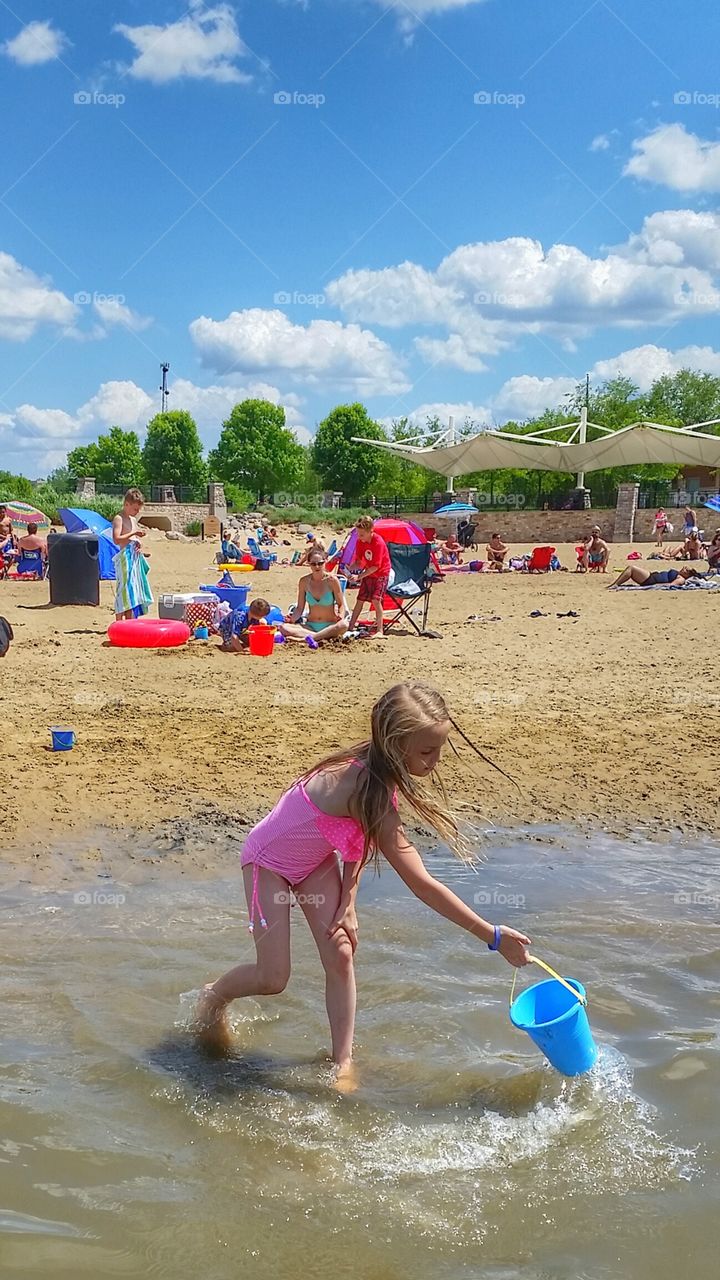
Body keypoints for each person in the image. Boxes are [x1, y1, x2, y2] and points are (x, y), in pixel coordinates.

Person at [195, 681, 531, 1088]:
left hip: (314, 860)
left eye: (440, 749)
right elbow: (422, 884)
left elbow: (354, 837)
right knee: (273, 978)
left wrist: (348, 902)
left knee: (340, 952)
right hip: (268, 864)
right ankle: (213, 996)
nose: (435, 762)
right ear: (393, 745)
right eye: (427, 752)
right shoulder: (361, 785)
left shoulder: (376, 781)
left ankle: (342, 1063)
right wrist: (491, 936)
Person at [281, 551, 349, 644]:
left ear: (325, 562)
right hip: (311, 626)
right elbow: (300, 608)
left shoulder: (332, 580)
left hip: (329, 625)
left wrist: (340, 615)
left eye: (320, 563)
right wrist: (292, 619)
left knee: (344, 624)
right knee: (284, 627)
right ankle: (318, 637)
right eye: (313, 564)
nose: (317, 567)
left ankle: (307, 638)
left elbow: (341, 604)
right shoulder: (304, 581)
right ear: (309, 564)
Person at [347, 516, 392, 639]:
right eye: (358, 534)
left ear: (370, 531)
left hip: (381, 573)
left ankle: (380, 630)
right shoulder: (360, 542)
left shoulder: (378, 542)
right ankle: (350, 626)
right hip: (368, 572)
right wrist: (350, 568)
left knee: (376, 600)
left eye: (361, 534)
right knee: (360, 599)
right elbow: (359, 561)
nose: (359, 537)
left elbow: (376, 567)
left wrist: (359, 576)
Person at [111, 488, 151, 621]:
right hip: (124, 557)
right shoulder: (119, 518)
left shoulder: (133, 520)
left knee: (132, 589)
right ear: (126, 504)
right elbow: (117, 539)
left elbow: (131, 538)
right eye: (135, 509)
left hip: (133, 556)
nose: (137, 512)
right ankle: (118, 619)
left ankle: (129, 619)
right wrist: (133, 534)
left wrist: (138, 542)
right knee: (123, 588)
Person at [609, 565, 701, 588]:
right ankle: (615, 584)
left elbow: (671, 585)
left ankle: (615, 584)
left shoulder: (681, 579)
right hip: (651, 575)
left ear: (688, 575)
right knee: (631, 568)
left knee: (631, 568)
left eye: (686, 569)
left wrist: (656, 585)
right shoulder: (679, 575)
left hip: (650, 580)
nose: (683, 568)